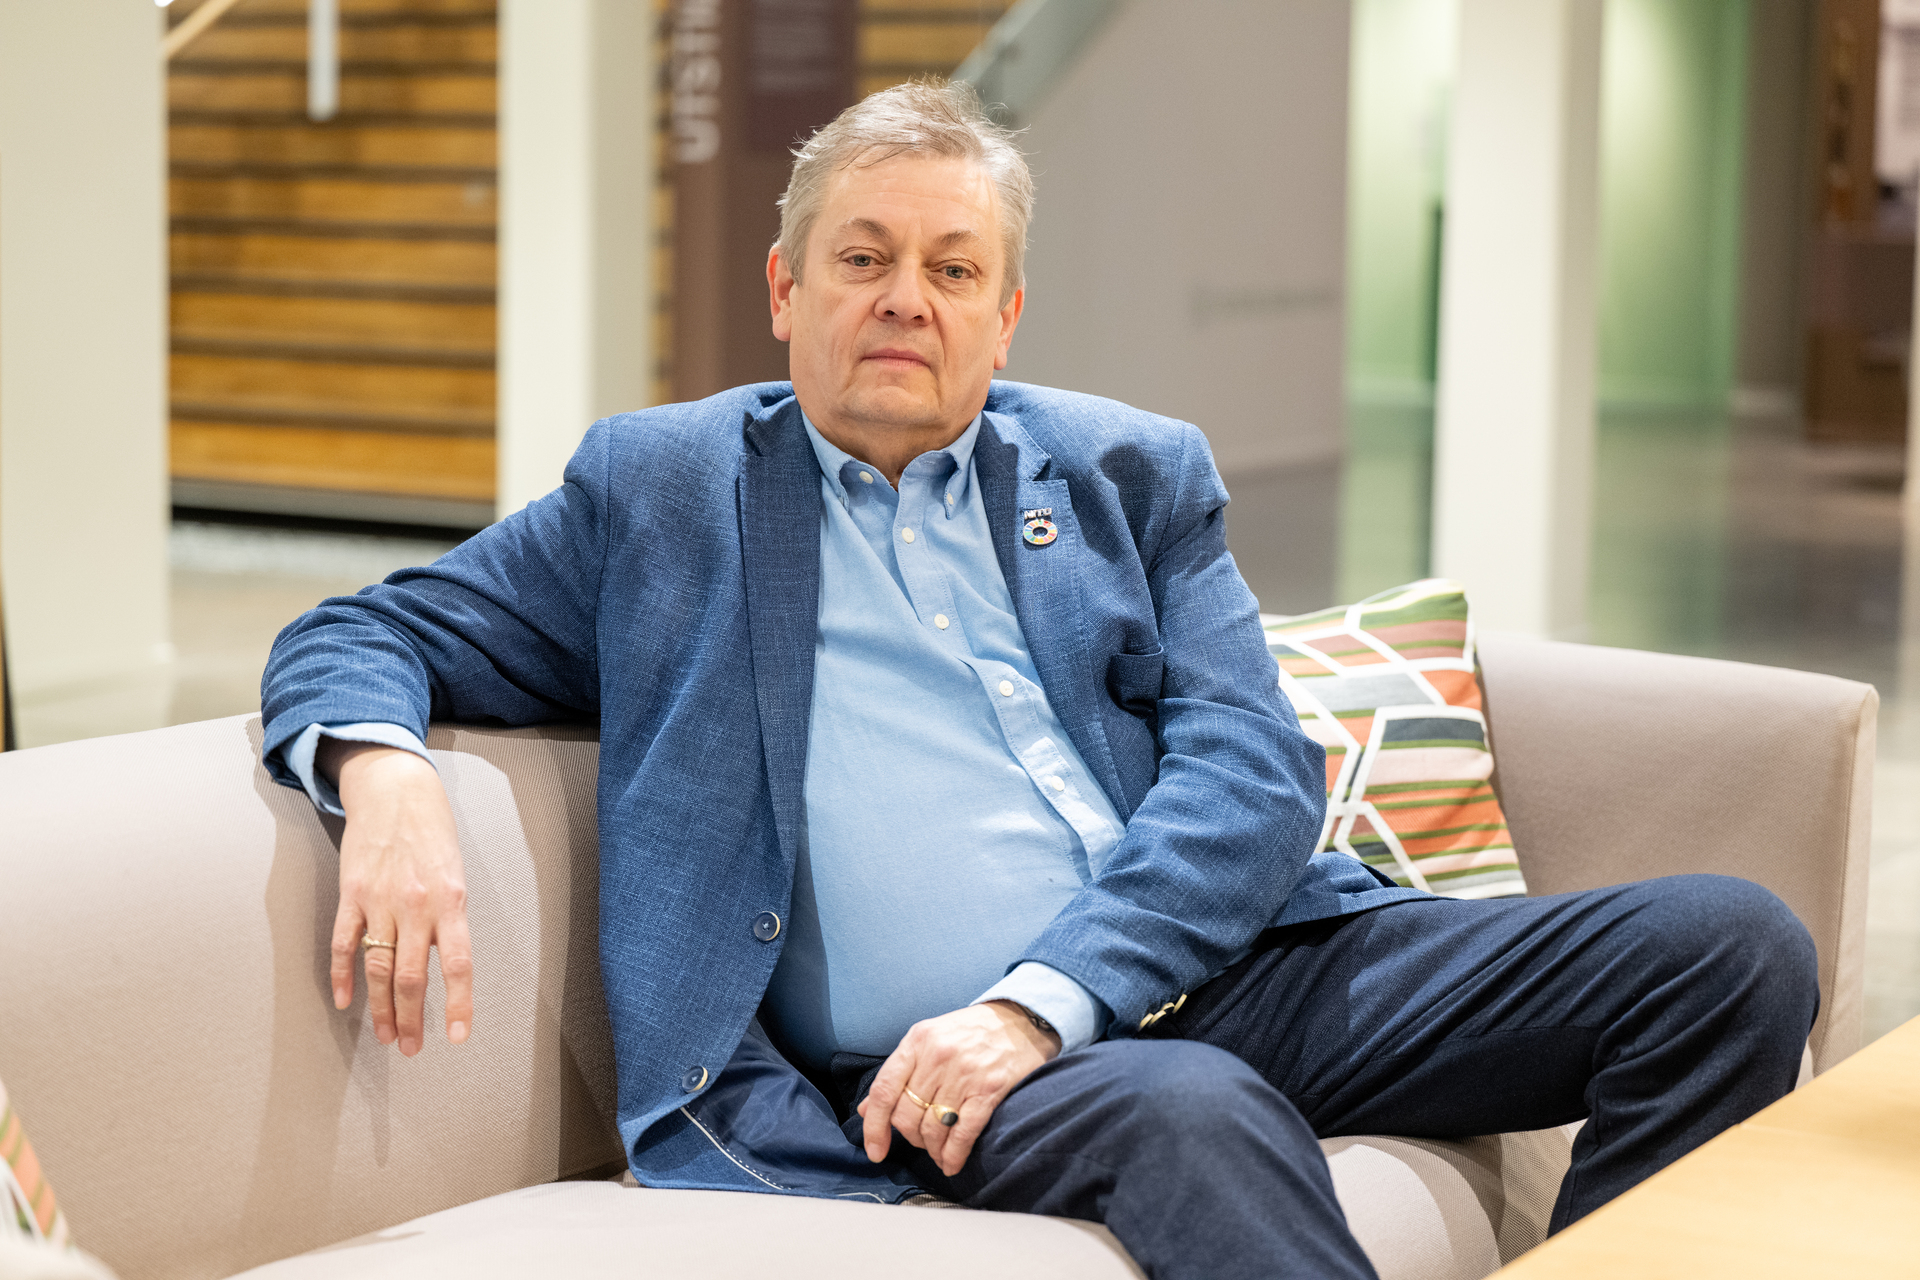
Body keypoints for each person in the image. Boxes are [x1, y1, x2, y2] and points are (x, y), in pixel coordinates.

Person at [260, 79, 1818, 1279]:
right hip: (927, 1069)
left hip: (1226, 972)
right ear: (783, 289)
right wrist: (384, 776)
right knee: (1191, 1114)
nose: (904, 299)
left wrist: (1048, 997)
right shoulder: (663, 493)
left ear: (1004, 316)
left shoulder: (1130, 471)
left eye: (953, 269)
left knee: (1727, 950)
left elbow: (1252, 768)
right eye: (861, 258)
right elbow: (363, 631)